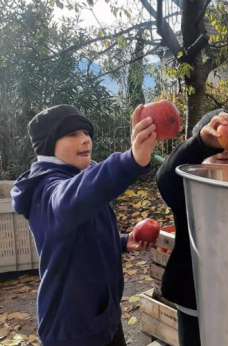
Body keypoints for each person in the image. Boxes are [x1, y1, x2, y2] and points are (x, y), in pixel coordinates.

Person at [10, 104, 157, 346]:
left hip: (103, 318)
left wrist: (122, 241)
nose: (85, 139)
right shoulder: (46, 190)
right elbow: (70, 199)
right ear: (49, 145)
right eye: (72, 134)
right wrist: (131, 160)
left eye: (86, 132)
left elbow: (83, 232)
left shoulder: (79, 178)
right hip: (73, 331)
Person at [156, 110, 228, 346]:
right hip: (193, 294)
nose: (223, 151)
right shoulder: (185, 186)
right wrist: (201, 143)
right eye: (215, 146)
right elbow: (165, 177)